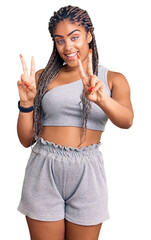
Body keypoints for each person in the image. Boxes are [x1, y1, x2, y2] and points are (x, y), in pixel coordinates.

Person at [17, 5, 134, 240]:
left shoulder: (113, 79)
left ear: (89, 35)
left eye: (74, 37)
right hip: (44, 169)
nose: (68, 47)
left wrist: (102, 99)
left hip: (87, 173)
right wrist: (27, 104)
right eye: (59, 40)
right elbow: (25, 140)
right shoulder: (42, 78)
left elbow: (127, 120)